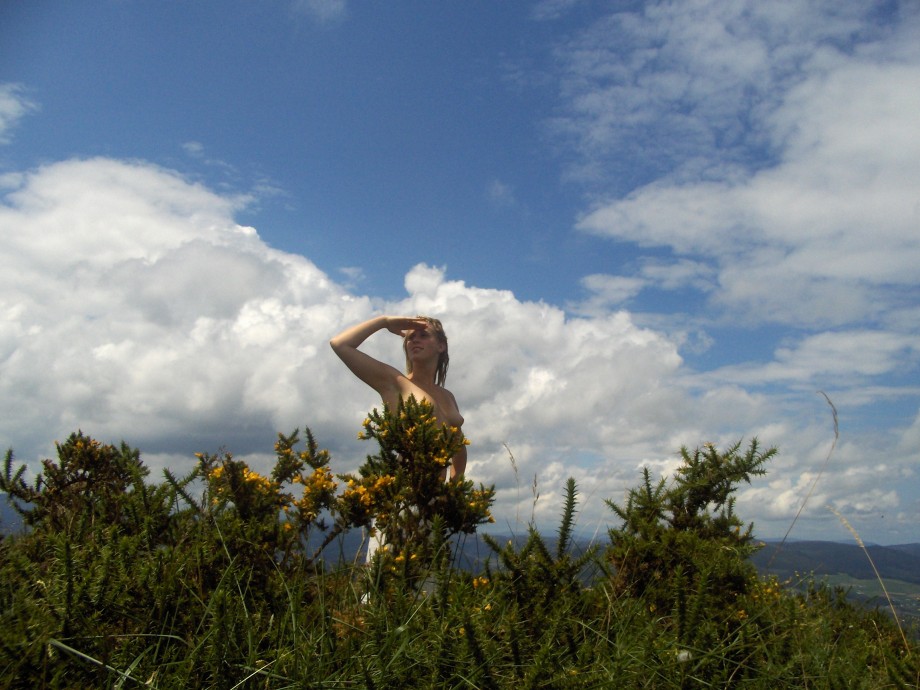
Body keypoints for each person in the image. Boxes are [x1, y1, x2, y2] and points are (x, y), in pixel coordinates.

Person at [329, 315, 467, 480]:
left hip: (438, 501)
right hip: (407, 493)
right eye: (410, 338)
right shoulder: (395, 382)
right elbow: (340, 344)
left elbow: (458, 445)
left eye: (423, 335)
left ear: (441, 346)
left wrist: (455, 487)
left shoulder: (447, 396)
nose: (415, 340)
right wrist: (384, 321)